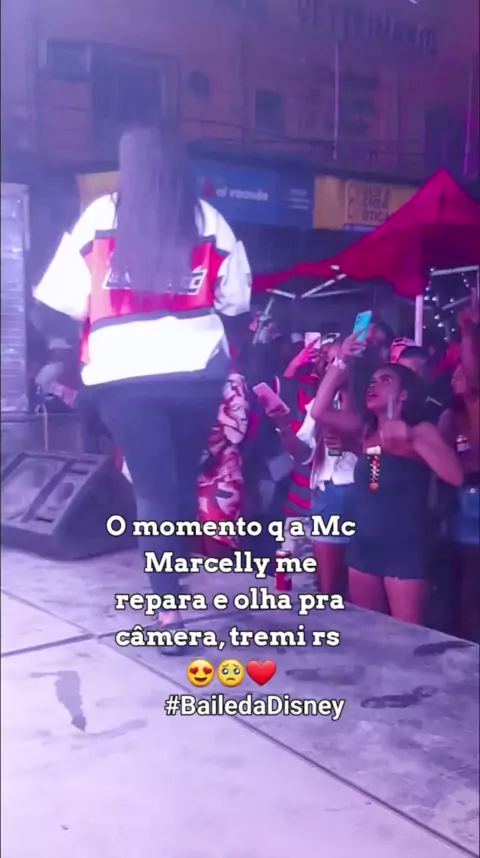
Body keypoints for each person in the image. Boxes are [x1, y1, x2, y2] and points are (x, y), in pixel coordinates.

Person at [33, 125, 251, 646]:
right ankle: (173, 579)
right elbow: (237, 301)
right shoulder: (208, 220)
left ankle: (167, 611)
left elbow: (62, 302)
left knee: (153, 487)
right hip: (196, 373)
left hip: (123, 378)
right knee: (180, 479)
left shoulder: (101, 216)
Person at [347, 363, 463, 625]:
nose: (374, 385)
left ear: (403, 395)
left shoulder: (421, 429)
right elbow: (375, 479)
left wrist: (411, 438)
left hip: (405, 548)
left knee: (407, 637)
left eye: (385, 380)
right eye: (372, 381)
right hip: (364, 545)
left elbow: (454, 475)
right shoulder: (367, 433)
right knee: (366, 632)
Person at [438, 292, 479, 641]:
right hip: (463, 507)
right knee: (467, 586)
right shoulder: (449, 418)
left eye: (461, 373)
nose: (456, 378)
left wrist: (467, 332)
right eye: (452, 375)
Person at [198, 360, 249, 558]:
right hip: (186, 471)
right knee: (193, 548)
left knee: (217, 544)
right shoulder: (181, 382)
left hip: (221, 472)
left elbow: (237, 432)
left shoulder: (232, 382)